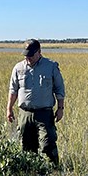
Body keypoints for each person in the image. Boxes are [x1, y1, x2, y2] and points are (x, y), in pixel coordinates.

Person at [6, 39, 65, 167]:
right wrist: (9, 109)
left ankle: (55, 172)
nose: (28, 58)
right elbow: (13, 90)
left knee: (48, 143)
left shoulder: (51, 66)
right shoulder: (18, 68)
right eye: (26, 55)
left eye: (31, 55)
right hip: (25, 114)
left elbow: (59, 88)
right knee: (27, 147)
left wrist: (60, 108)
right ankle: (31, 173)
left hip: (44, 113)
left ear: (39, 52)